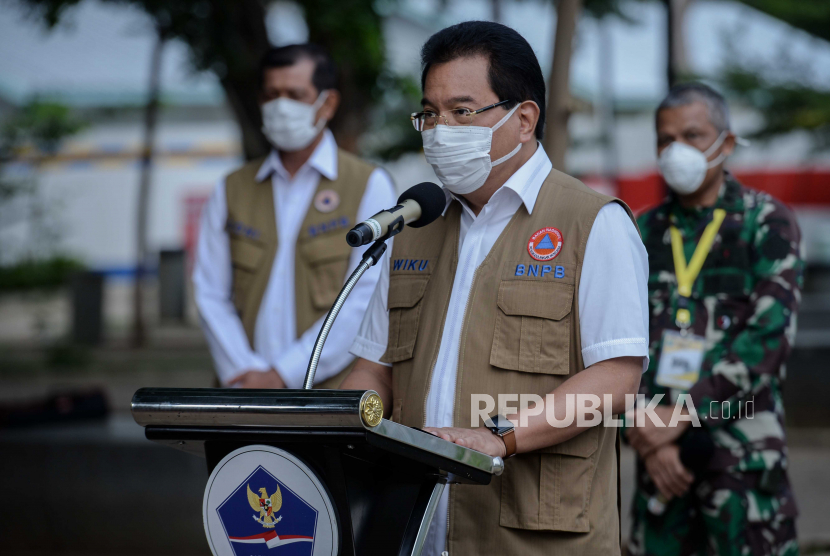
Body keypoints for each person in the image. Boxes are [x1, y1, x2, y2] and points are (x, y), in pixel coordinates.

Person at [341, 21, 649, 555]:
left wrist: (499, 436)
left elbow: (617, 376)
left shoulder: (591, 222)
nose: (440, 130)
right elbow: (374, 369)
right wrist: (328, 427)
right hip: (416, 524)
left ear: (523, 118)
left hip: (534, 529)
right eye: (430, 114)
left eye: (462, 112)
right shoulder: (413, 228)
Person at [626, 83, 803, 556]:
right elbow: (612, 342)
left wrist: (679, 415)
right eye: (665, 139)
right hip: (661, 466)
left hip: (741, 460)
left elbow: (767, 340)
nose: (676, 149)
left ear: (725, 143)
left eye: (692, 134)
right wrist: (648, 436)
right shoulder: (640, 230)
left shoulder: (765, 222)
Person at [193, 44, 396, 389]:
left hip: (326, 396)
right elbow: (209, 292)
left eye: (295, 94)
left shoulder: (368, 185)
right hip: (240, 392)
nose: (281, 106)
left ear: (327, 103)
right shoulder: (231, 189)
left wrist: (284, 374)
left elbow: (365, 296)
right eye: (272, 94)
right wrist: (245, 373)